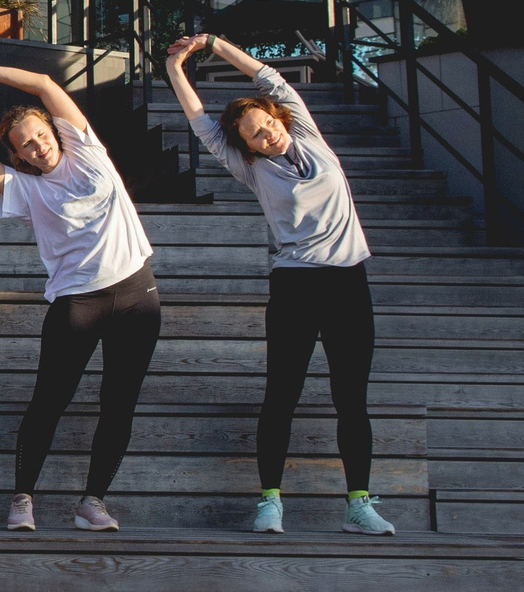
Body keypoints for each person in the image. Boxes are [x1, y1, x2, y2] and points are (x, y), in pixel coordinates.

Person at [165, 34, 396, 536]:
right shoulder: (251, 168)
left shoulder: (306, 132)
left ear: (279, 120)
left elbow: (268, 78)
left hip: (348, 284)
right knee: (281, 395)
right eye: (255, 134)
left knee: (351, 398)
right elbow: (200, 121)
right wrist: (176, 66)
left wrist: (215, 44)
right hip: (296, 289)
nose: (267, 136)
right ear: (244, 145)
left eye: (268, 125)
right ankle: (270, 500)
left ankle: (360, 503)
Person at [0, 63, 156, 533]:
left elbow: (46, 85)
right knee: (49, 401)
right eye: (26, 144)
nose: (39, 145)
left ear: (55, 131)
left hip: (137, 294)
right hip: (77, 304)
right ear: (20, 157)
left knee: (120, 404)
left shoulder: (89, 152)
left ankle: (93, 503)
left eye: (41, 134)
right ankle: (22, 498)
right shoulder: (26, 190)